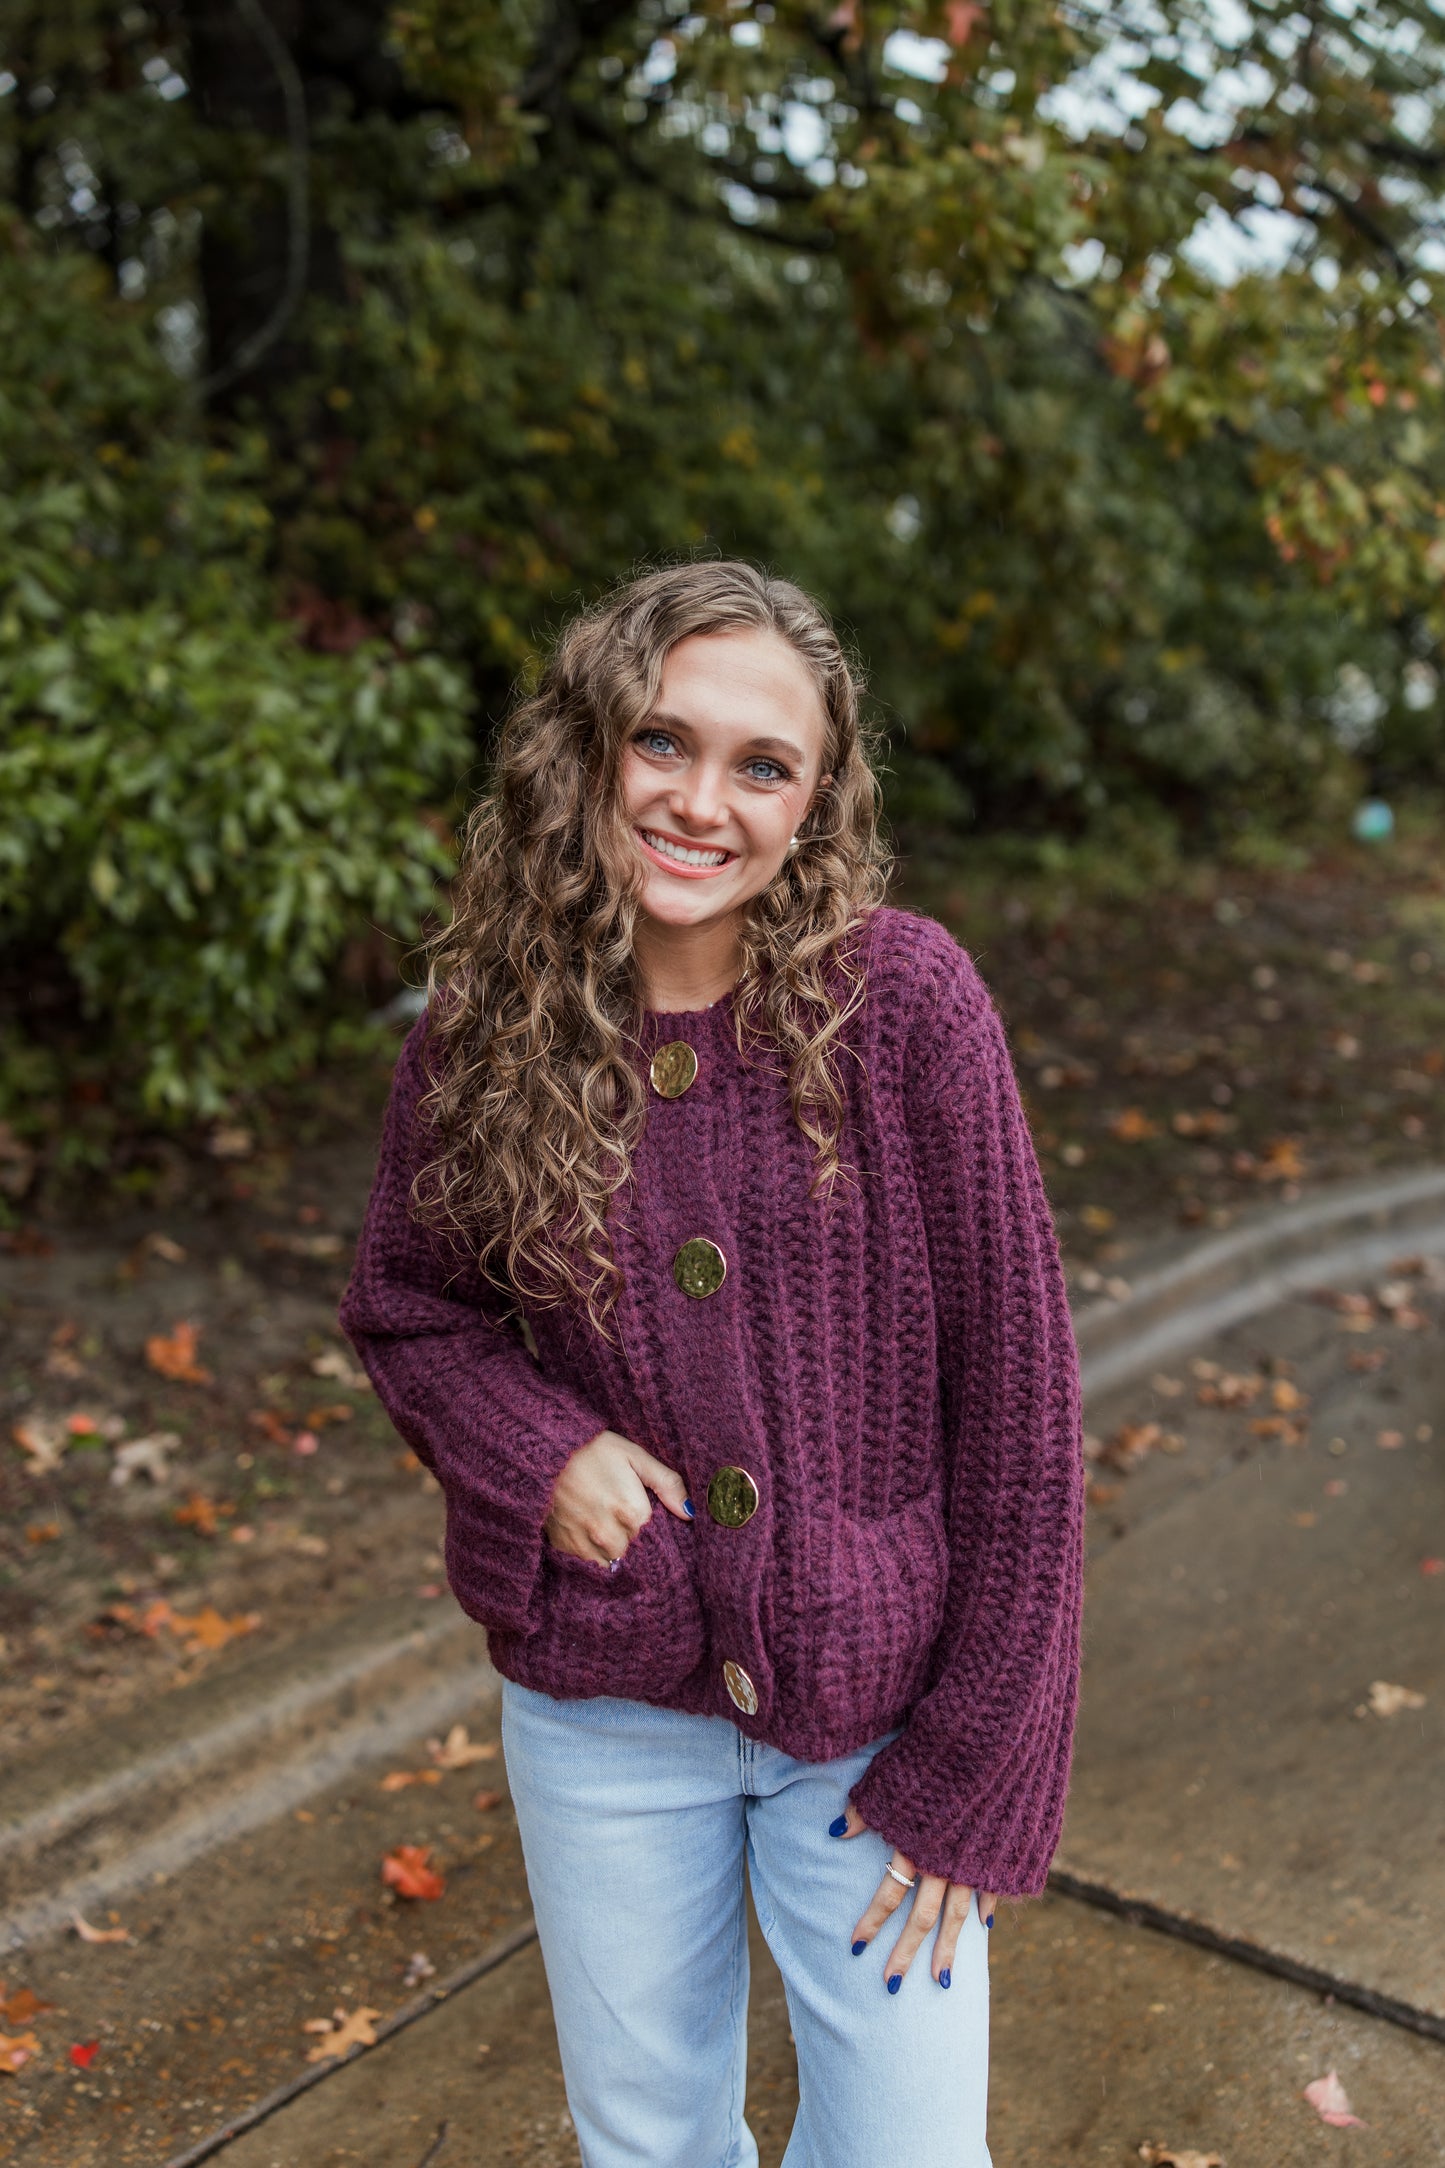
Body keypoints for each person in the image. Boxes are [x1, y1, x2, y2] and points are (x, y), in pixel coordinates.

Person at [339, 560, 1085, 2168]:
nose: (700, 802)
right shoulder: (486, 1031)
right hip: (604, 1709)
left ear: (816, 806)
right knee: (651, 2140)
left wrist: (980, 1763)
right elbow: (411, 1307)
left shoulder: (906, 1010)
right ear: (586, 749)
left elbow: (1021, 1425)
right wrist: (537, 1450)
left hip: (879, 1721)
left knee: (904, 2150)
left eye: (763, 767)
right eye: (660, 743)